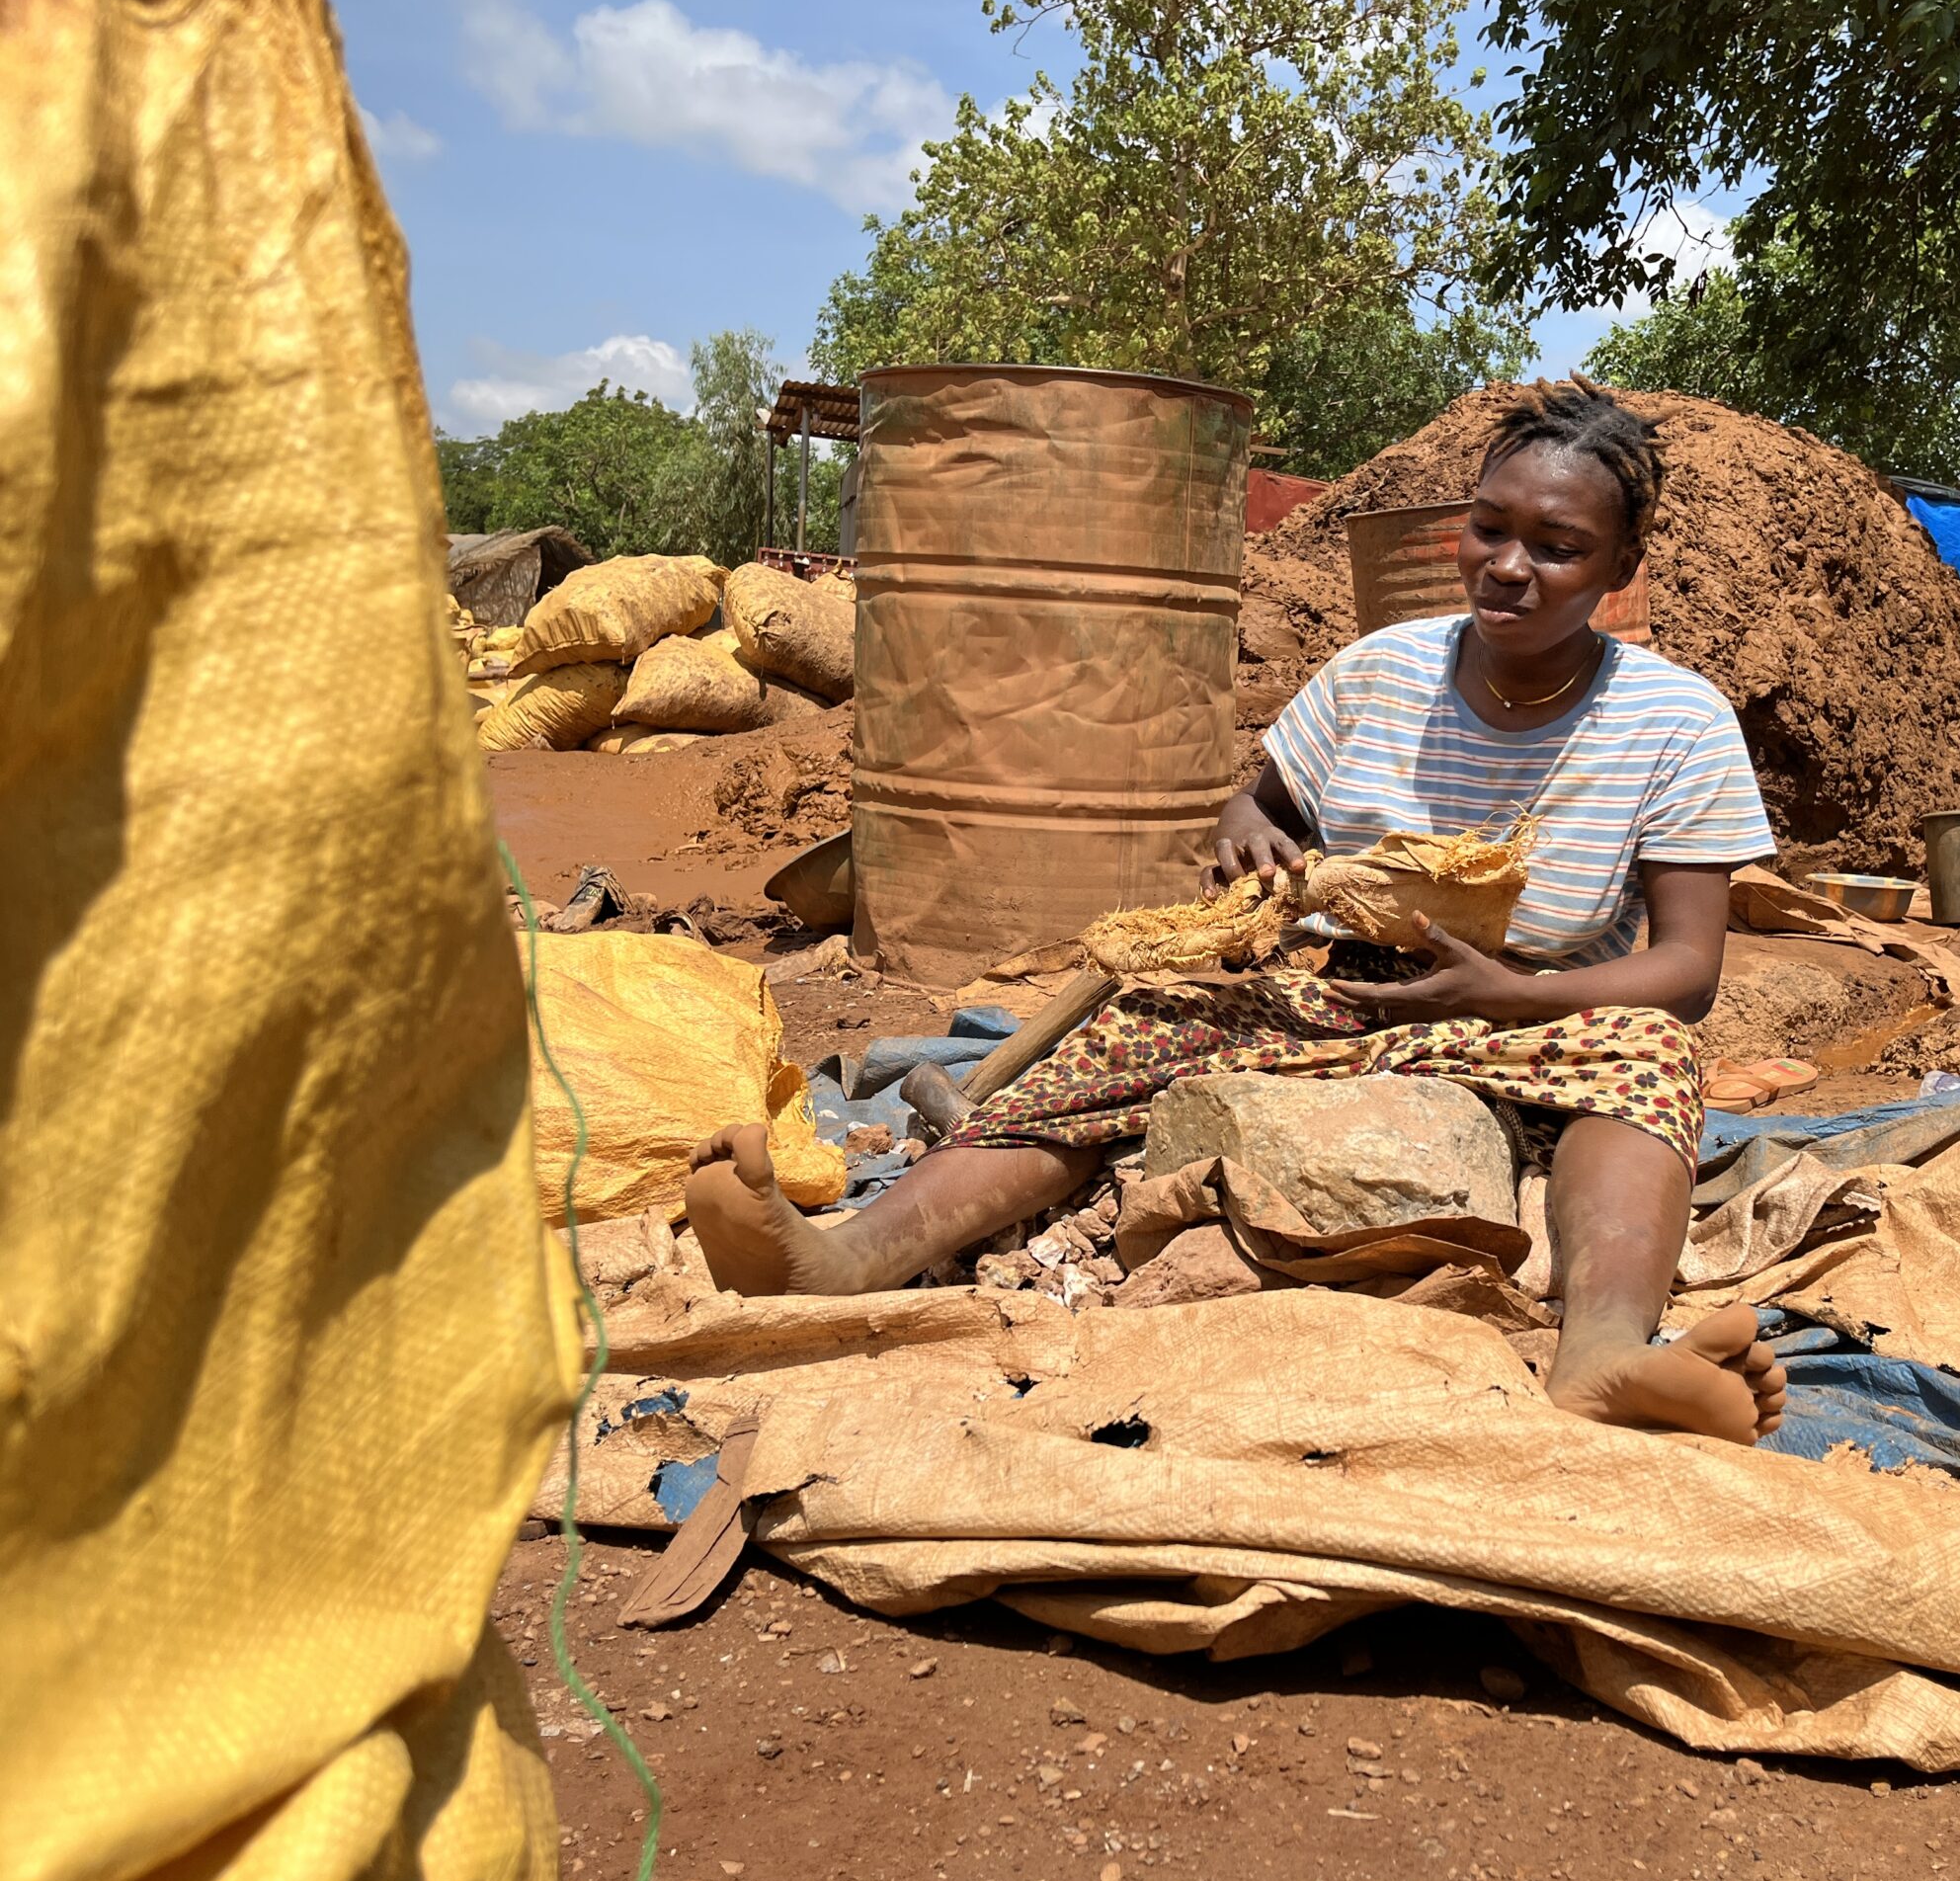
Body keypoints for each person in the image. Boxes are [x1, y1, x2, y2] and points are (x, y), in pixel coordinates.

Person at [687, 379, 1788, 1442]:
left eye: (1556, 547)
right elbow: (1252, 805)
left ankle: (1600, 1354)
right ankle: (847, 1259)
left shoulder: (1672, 720)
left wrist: (1511, 996)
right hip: (1331, 988)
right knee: (1142, 1022)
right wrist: (1245, 838)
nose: (1507, 567)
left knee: (1651, 1053)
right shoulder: (1381, 672)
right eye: (1487, 528)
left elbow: (1687, 969)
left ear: (1620, 567)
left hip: (1533, 1011)